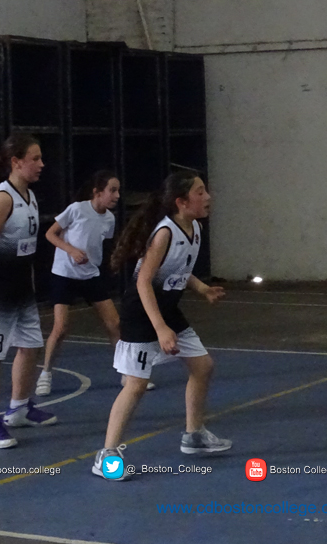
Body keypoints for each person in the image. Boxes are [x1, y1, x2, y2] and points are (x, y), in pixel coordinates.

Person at [92, 171, 231, 480]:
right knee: (136, 384)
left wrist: (202, 289)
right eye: (200, 192)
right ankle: (107, 455)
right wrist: (160, 329)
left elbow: (180, 269)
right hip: (142, 312)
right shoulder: (164, 233)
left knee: (203, 366)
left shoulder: (193, 227)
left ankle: (193, 435)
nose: (207, 197)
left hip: (166, 307)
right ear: (181, 202)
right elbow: (143, 281)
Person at [0, 134, 57, 449]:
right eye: (35, 158)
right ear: (16, 162)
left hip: (22, 289)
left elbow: (26, 250)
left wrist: (31, 288)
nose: (41, 164)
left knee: (30, 345)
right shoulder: (2, 198)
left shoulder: (29, 197)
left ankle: (19, 407)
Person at [35, 170, 154, 395]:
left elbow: (101, 244)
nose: (117, 195)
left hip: (91, 275)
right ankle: (46, 374)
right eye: (112, 190)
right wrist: (71, 250)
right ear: (97, 192)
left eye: (118, 191)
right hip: (64, 275)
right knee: (60, 328)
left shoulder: (109, 218)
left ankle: (128, 374)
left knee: (115, 324)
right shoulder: (77, 209)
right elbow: (51, 234)